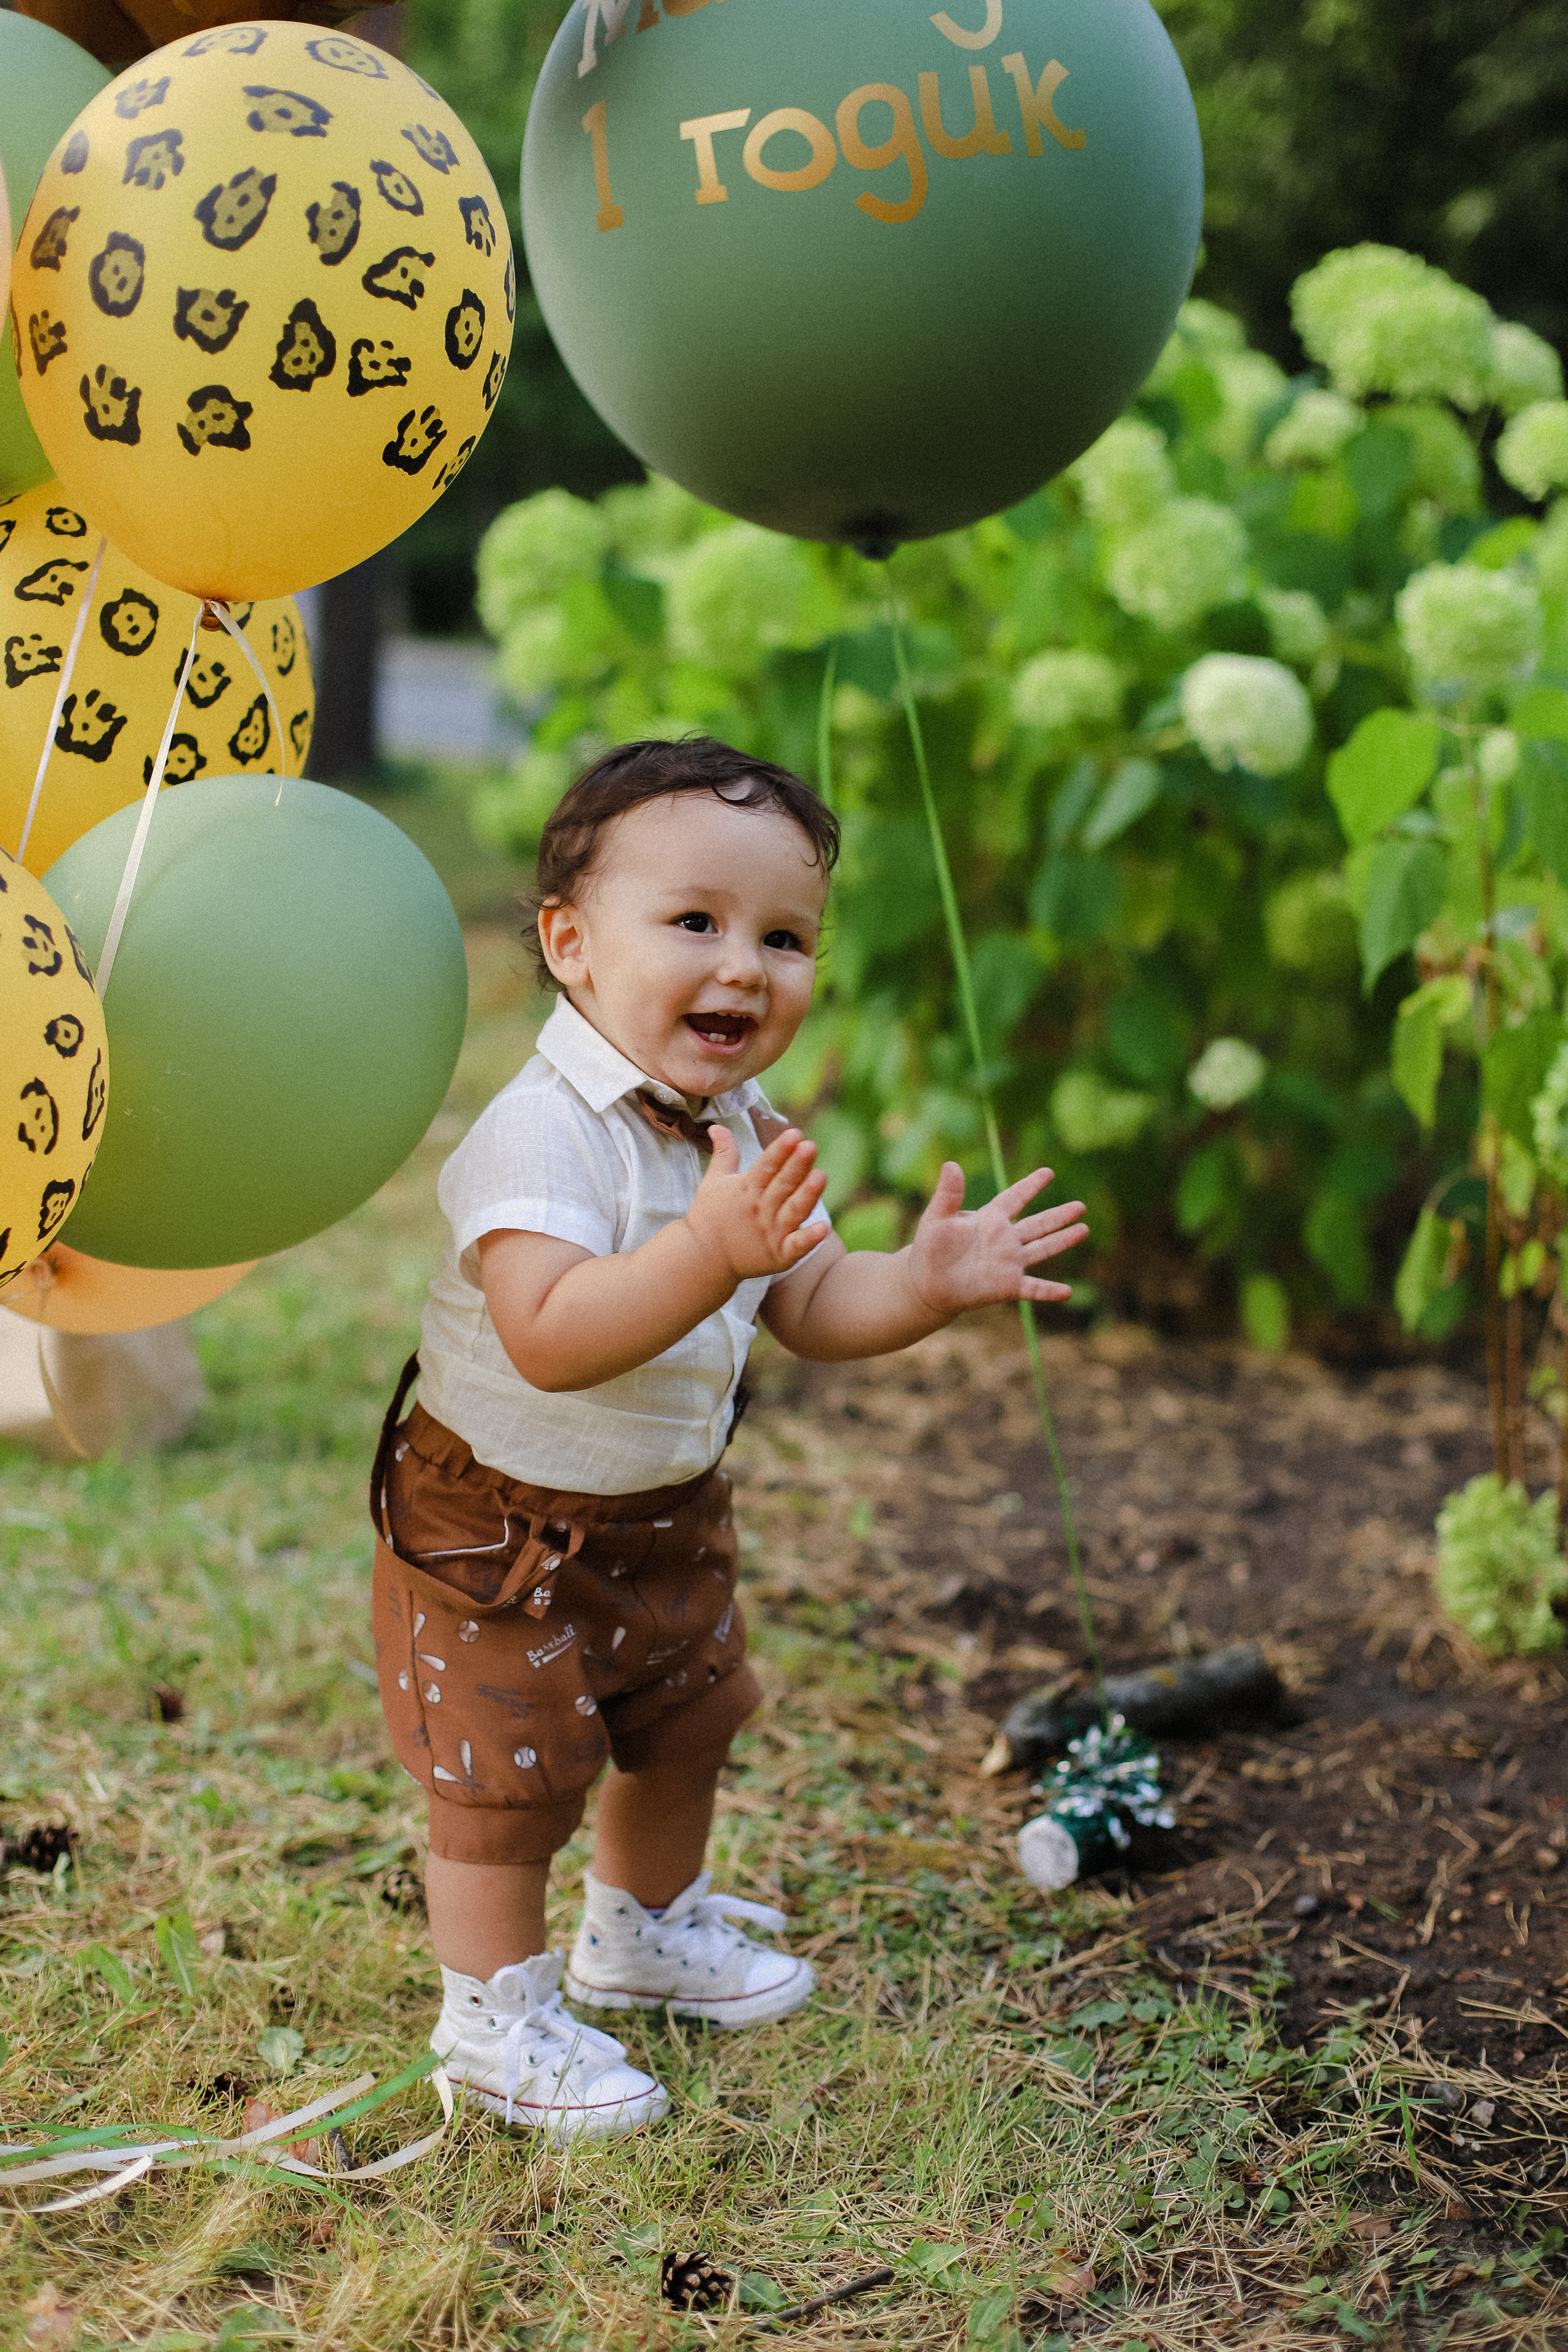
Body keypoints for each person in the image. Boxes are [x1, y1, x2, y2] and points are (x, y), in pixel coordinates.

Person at [369, 736, 1088, 2138]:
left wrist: (924, 1282)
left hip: (659, 1506)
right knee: (504, 1771)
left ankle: (638, 1932)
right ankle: (492, 2016)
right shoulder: (543, 1137)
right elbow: (551, 1332)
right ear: (571, 945)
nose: (744, 966)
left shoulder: (740, 1129)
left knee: (683, 1715)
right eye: (693, 921)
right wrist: (705, 1250)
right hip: (495, 1526)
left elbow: (812, 1299)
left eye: (783, 934)